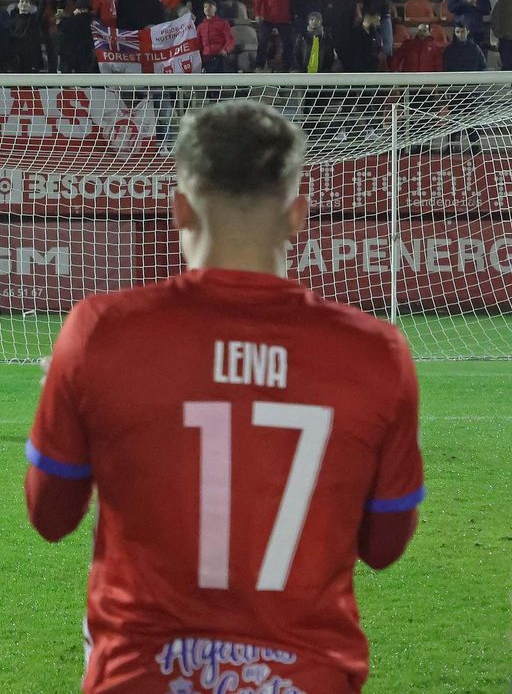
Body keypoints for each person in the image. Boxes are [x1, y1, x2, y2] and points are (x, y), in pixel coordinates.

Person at [25, 98, 422, 692]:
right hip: (307, 677)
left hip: (143, 676)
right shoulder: (375, 352)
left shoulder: (101, 333)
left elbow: (50, 515)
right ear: (296, 215)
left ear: (180, 208)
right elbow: (386, 545)